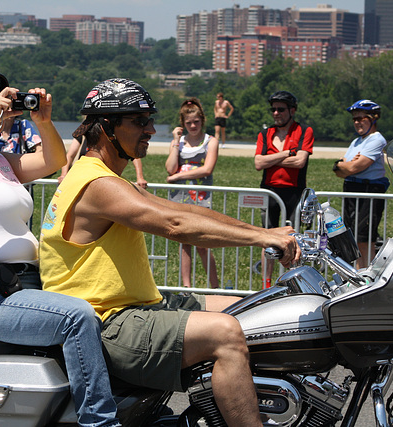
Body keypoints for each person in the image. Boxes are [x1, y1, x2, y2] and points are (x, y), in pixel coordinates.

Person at [39, 78, 300, 427]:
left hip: (137, 305)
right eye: (139, 121)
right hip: (109, 322)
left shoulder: (107, 178)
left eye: (149, 120)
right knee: (226, 333)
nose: (150, 129)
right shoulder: (96, 184)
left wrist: (264, 232)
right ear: (105, 129)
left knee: (260, 309)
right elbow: (175, 225)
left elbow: (189, 213)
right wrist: (260, 239)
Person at [0, 67, 120, 427]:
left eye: (0, 100)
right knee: (76, 317)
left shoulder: (2, 162)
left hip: (23, 285)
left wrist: (43, 121)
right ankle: (99, 422)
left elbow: (53, 161)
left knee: (103, 304)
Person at [254, 90, 314, 288]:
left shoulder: (304, 131)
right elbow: (258, 162)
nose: (276, 113)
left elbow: (300, 161)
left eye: (281, 109)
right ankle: (266, 284)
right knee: (267, 237)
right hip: (269, 190)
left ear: (292, 111)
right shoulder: (265, 133)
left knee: (292, 238)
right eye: (273, 109)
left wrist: (273, 158)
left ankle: (293, 283)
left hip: (294, 191)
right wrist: (286, 153)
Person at [165, 98, 219, 288]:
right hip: (181, 199)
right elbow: (170, 168)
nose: (193, 126)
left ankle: (215, 286)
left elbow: (207, 169)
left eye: (196, 122)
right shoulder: (178, 143)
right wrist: (175, 141)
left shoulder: (210, 142)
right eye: (188, 123)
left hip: (200, 198)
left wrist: (180, 176)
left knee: (203, 243)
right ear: (183, 124)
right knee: (184, 243)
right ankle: (186, 287)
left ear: (202, 120)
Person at [333, 99, 389, 269]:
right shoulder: (356, 142)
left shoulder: (376, 140)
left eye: (361, 118)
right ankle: (358, 273)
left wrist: (347, 165)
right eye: (354, 119)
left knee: (365, 239)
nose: (357, 122)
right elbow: (339, 169)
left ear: (373, 118)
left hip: (368, 190)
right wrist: (343, 165)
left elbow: (354, 166)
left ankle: (366, 275)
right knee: (353, 236)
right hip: (352, 189)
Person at [59, 135, 148, 188]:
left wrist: (140, 177)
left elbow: (134, 156)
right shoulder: (82, 135)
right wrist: (64, 174)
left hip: (107, 180)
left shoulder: (112, 136)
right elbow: (70, 156)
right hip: (82, 180)